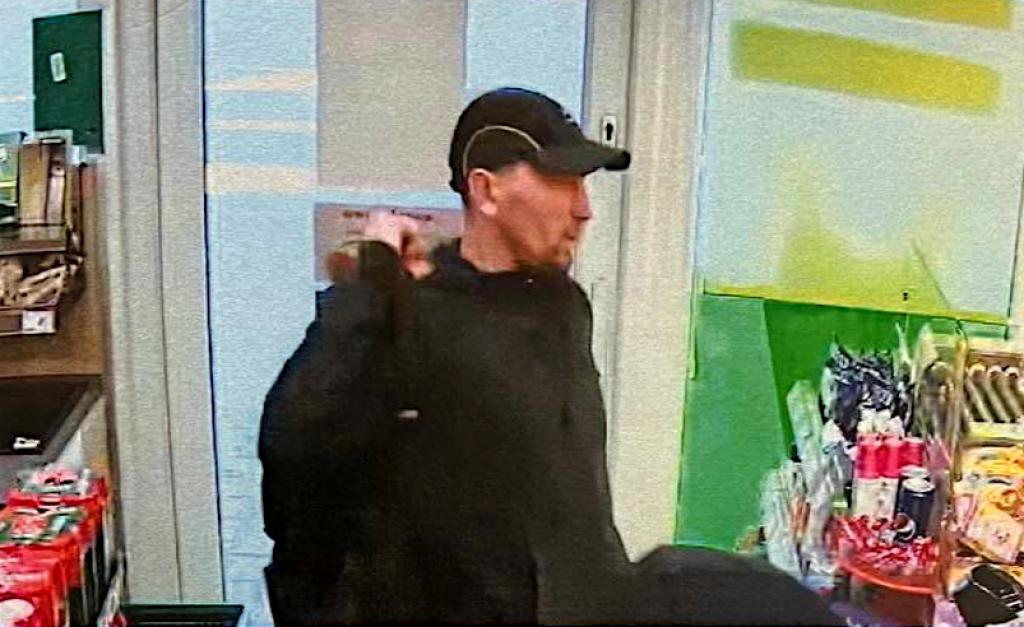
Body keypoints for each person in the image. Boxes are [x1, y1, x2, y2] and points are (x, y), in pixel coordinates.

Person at [259, 87, 843, 625]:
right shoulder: (411, 314)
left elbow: (570, 495)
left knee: (785, 608)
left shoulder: (563, 304)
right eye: (562, 181)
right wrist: (370, 281)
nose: (584, 209)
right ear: (487, 190)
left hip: (591, 598)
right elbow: (295, 438)